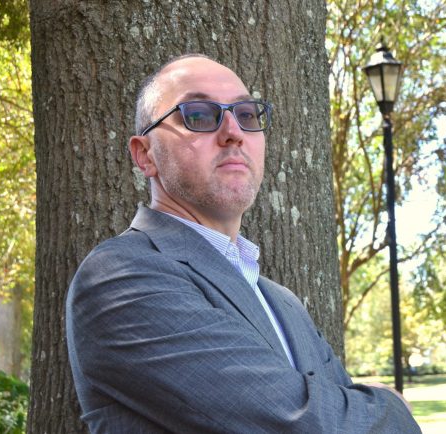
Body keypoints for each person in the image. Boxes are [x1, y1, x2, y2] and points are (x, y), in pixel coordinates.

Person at [66, 54, 420, 434]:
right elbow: (311, 425)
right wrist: (394, 407)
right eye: (199, 115)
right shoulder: (120, 278)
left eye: (247, 115)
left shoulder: (283, 302)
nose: (233, 131)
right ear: (145, 155)